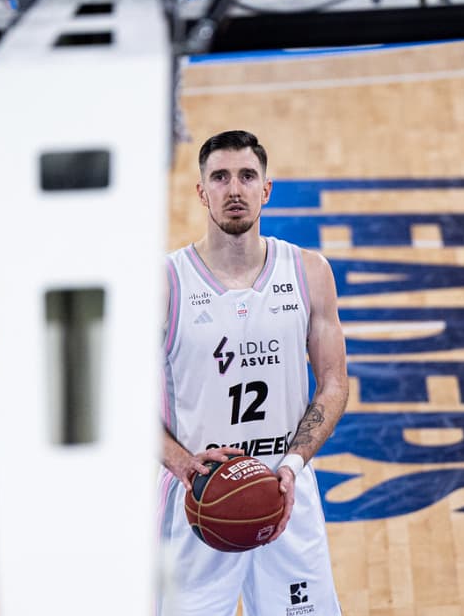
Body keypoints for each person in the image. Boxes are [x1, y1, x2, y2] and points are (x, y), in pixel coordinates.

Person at [159, 130, 349, 615]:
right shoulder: (163, 283)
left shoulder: (308, 272)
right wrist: (184, 464)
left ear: (266, 189)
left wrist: (294, 464)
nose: (234, 189)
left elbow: (332, 383)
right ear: (201, 192)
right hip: (195, 502)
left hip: (285, 493)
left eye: (247, 176)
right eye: (220, 177)